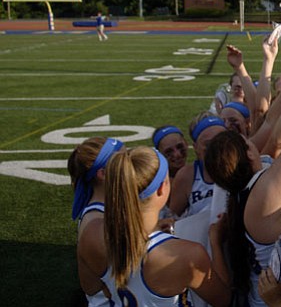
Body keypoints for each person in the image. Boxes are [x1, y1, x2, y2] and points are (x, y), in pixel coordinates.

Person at [204, 56, 281, 307]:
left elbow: (273, 124)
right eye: (248, 141)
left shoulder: (253, 181)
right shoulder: (262, 195)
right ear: (248, 152)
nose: (253, 141)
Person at [104, 146, 230, 307]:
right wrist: (216, 242)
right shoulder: (186, 254)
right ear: (161, 189)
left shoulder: (101, 239)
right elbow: (224, 299)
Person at [67, 137, 124, 306]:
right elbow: (127, 278)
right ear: (103, 174)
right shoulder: (96, 224)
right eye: (124, 160)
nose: (131, 165)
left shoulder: (109, 208)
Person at [169, 112, 226, 217]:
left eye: (222, 141)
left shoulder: (242, 168)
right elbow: (172, 218)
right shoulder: (187, 176)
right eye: (209, 144)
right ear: (196, 147)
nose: (217, 148)